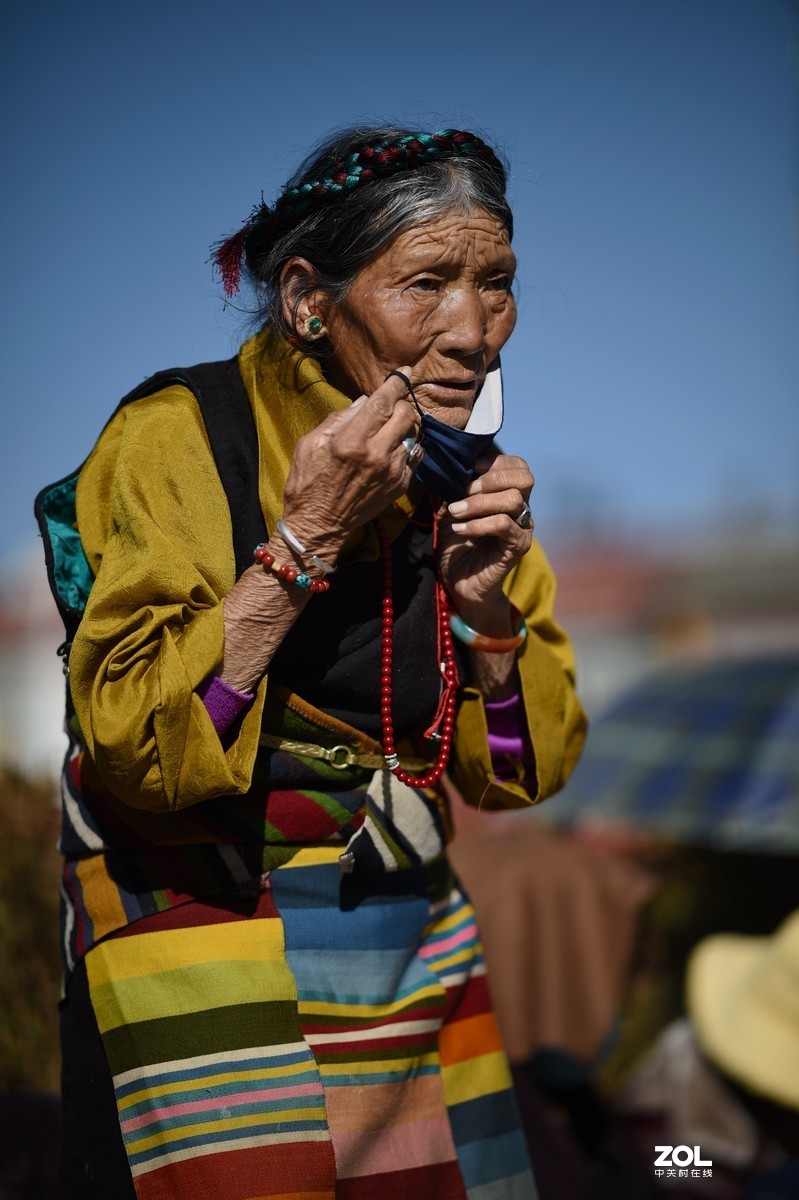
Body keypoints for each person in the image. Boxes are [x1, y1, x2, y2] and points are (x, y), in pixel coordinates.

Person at [45, 125, 587, 1199]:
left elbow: (520, 773)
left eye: (498, 284)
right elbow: (135, 753)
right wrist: (305, 543)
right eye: (426, 282)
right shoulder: (177, 435)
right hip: (199, 926)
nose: (475, 332)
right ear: (306, 298)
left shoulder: (463, 477)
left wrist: (485, 621)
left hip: (401, 939)